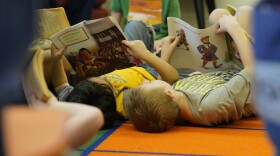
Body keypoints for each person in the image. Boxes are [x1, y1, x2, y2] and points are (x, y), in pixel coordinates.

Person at [123, 6, 256, 133]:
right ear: (170, 93)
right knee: (245, 13)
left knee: (216, 15)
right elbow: (252, 70)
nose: (146, 81)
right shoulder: (209, 106)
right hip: (257, 73)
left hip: (231, 69)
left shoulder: (173, 104)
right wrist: (234, 27)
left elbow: (165, 80)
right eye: (149, 83)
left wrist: (166, 54)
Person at [50, 19, 180, 129]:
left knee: (135, 24)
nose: (104, 76)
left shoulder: (74, 100)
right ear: (113, 94)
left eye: (98, 77)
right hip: (151, 74)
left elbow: (60, 84)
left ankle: (152, 50)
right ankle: (155, 51)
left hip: (125, 64)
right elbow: (167, 79)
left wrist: (56, 59)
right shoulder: (126, 104)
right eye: (105, 80)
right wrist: (152, 55)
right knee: (141, 32)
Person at [110, 0, 181, 53]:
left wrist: (161, 41)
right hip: (131, 35)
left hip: (157, 41)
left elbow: (175, 30)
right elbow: (113, 24)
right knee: (134, 24)